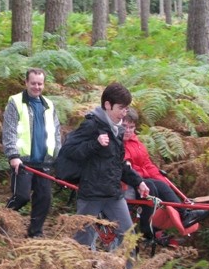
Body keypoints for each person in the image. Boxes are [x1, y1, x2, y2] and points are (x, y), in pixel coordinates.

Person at [60, 82, 149, 250]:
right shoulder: (91, 125)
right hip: (91, 195)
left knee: (129, 237)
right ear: (107, 105)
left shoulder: (117, 130)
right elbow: (69, 151)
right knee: (82, 241)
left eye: (126, 108)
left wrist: (138, 182)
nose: (124, 113)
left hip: (114, 194)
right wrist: (95, 144)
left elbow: (119, 163)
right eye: (121, 108)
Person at [121, 108, 209, 232]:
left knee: (161, 184)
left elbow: (147, 164)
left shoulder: (136, 143)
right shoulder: (117, 143)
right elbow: (125, 168)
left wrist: (161, 178)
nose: (128, 130)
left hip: (140, 179)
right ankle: (148, 229)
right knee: (151, 186)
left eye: (131, 127)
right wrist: (144, 176)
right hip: (126, 183)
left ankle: (183, 215)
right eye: (124, 126)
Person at [2, 68, 61, 238]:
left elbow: (56, 132)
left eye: (40, 84)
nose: (36, 87)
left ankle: (35, 232)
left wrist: (58, 157)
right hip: (22, 161)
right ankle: (1, 223)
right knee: (21, 196)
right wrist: (13, 155)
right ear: (26, 82)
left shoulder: (49, 105)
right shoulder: (16, 102)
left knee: (44, 198)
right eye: (33, 83)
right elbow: (9, 130)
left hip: (44, 162)